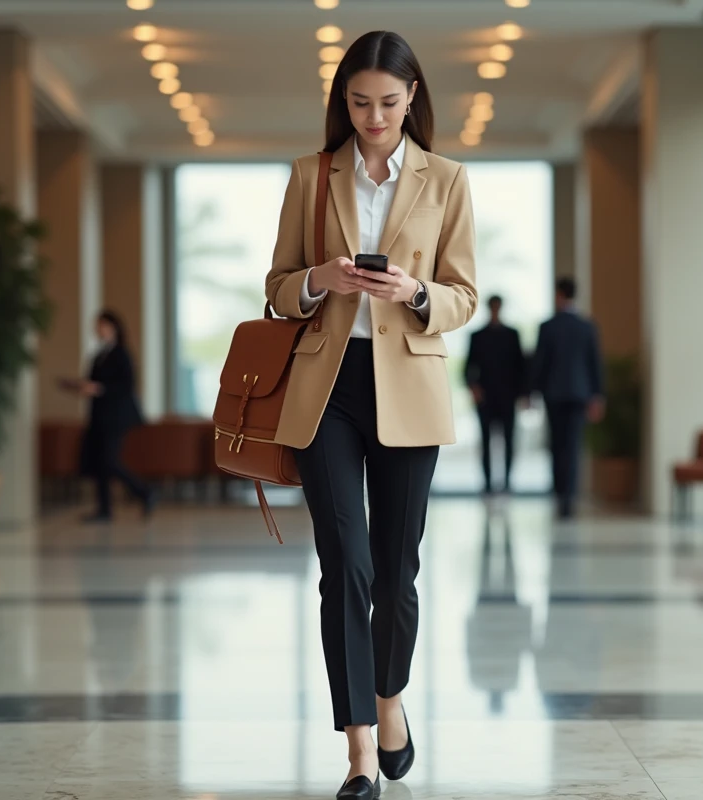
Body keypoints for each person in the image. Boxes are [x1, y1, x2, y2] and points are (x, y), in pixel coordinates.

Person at [264, 30, 477, 800]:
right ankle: (359, 751)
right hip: (327, 387)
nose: (374, 116)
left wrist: (415, 293)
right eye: (359, 103)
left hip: (409, 385)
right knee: (343, 565)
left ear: (412, 96)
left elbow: (464, 294)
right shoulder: (310, 176)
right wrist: (320, 278)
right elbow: (277, 288)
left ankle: (391, 702)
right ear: (342, 102)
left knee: (396, 569)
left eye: (388, 102)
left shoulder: (447, 179)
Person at [62, 310, 155, 523]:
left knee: (109, 460)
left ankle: (143, 491)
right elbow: (92, 384)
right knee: (99, 461)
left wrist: (100, 388)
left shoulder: (121, 354)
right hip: (99, 416)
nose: (99, 330)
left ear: (113, 327)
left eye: (103, 325)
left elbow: (125, 387)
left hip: (116, 417)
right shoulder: (98, 356)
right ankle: (104, 508)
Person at [531, 278, 605, 519]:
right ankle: (569, 499)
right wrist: (597, 396)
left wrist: (530, 392)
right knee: (572, 447)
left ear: (559, 295)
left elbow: (539, 364)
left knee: (557, 445)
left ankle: (560, 493)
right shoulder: (587, 326)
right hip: (579, 394)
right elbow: (595, 365)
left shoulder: (548, 326)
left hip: (553, 394)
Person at [465, 295, 527, 495]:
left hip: (508, 397)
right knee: (485, 441)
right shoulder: (478, 336)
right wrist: (474, 388)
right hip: (485, 398)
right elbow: (468, 367)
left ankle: (508, 481)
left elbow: (521, 367)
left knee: (509, 440)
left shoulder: (512, 335)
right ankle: (488, 482)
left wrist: (522, 394)